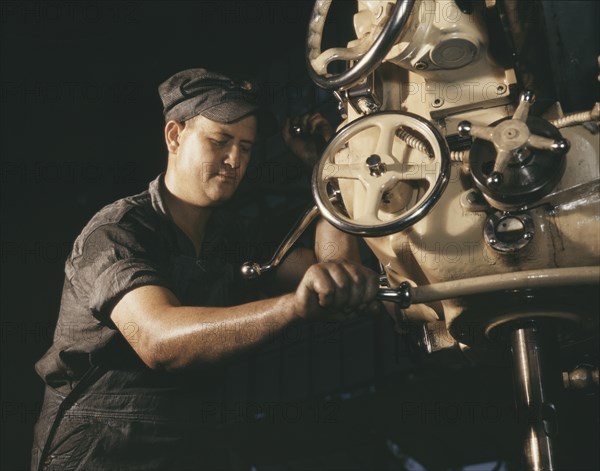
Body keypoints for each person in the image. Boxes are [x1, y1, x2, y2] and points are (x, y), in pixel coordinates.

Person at [31, 68, 380, 471]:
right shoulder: (117, 232)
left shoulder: (231, 236)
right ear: (174, 136)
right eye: (220, 141)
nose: (235, 160)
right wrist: (291, 308)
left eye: (247, 148)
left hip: (191, 443)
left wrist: (327, 171)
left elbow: (331, 272)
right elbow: (159, 341)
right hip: (100, 450)